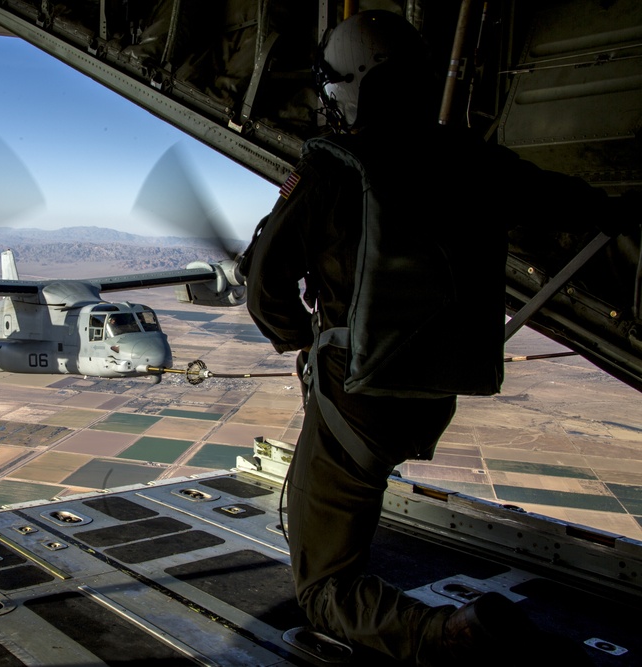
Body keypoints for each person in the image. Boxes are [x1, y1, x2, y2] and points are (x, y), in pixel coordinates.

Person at [242, 9, 617, 666]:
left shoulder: (332, 170)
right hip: (432, 393)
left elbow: (265, 281)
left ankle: (449, 634)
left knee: (324, 585)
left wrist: (301, 340)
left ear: (349, 89)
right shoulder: (472, 161)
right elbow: (569, 202)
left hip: (354, 401)